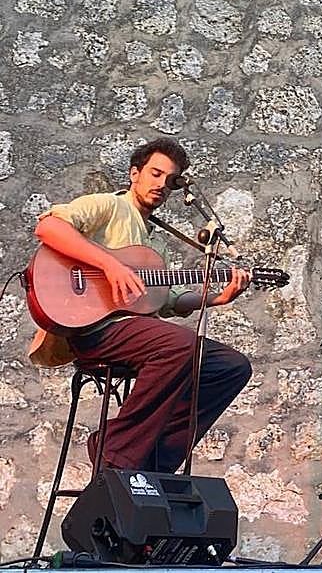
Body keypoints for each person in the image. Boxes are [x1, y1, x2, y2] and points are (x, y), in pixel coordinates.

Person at [28, 137, 252, 474]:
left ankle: (155, 462)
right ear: (135, 173)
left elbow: (169, 301)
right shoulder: (108, 206)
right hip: (93, 331)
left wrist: (217, 298)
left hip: (134, 331)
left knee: (231, 366)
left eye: (170, 180)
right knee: (180, 345)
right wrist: (109, 264)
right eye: (155, 174)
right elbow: (48, 226)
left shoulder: (157, 239)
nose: (161, 185)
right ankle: (114, 452)